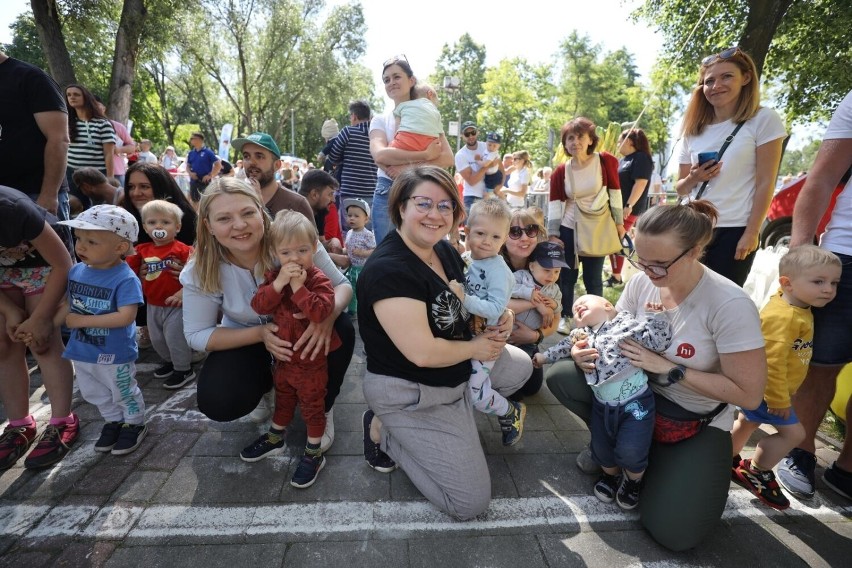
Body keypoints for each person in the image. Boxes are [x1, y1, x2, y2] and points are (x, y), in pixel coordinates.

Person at [545, 201, 766, 551]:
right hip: (635, 396)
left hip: (694, 418)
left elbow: (749, 396)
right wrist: (579, 348)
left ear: (695, 251)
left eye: (660, 264)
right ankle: (620, 453)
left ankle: (641, 461)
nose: (647, 272)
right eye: (639, 260)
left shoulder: (730, 304)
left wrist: (668, 368)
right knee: (562, 373)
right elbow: (614, 333)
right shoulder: (642, 283)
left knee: (675, 535)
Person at [356, 165, 531, 520]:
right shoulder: (389, 270)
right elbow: (421, 353)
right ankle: (385, 430)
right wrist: (476, 348)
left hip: (456, 370)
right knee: (469, 502)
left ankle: (458, 416)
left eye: (445, 206)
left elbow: (471, 299)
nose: (435, 214)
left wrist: (503, 317)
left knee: (522, 366)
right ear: (401, 207)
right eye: (423, 203)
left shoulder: (445, 251)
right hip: (412, 388)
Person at [180, 177, 352, 455]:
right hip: (248, 337)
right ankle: (265, 385)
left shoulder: (292, 240)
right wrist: (260, 334)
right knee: (219, 399)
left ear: (261, 212)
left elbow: (342, 285)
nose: (239, 225)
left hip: (302, 331)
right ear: (208, 226)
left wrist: (327, 318)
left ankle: (324, 404)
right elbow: (196, 334)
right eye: (224, 218)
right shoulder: (200, 269)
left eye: (248, 212)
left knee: (343, 327)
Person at [778, 88, 852, 502]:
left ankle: (847, 468)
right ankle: (798, 449)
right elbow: (820, 178)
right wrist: (800, 258)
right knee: (820, 363)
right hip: (847, 254)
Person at [535, 294, 671, 510]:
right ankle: (612, 476)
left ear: (608, 305)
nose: (577, 305)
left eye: (584, 302)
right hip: (602, 404)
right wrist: (543, 358)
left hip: (635, 402)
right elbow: (562, 346)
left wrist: (658, 316)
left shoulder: (626, 324)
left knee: (632, 450)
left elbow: (657, 341)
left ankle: (633, 480)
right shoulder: (581, 334)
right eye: (574, 306)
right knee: (602, 449)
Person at [731, 245, 841, 510]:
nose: (828, 289)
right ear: (787, 283)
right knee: (793, 434)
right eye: (819, 281)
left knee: (747, 422)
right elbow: (772, 362)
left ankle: (722, 458)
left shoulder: (793, 304)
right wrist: (779, 400)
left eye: (834, 282)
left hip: (763, 390)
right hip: (770, 393)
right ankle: (757, 469)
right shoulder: (784, 316)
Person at [242, 210, 340, 488]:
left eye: (302, 250)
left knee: (312, 407)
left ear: (314, 249)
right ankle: (275, 436)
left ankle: (314, 451)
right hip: (284, 360)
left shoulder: (317, 278)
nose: (295, 259)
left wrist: (298, 286)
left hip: (311, 363)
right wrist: (279, 284)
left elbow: (321, 312)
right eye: (286, 253)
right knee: (283, 399)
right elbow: (259, 305)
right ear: (275, 253)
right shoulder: (274, 277)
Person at [675, 47, 786, 286]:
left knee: (720, 302)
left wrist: (752, 232)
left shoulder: (763, 120)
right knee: (682, 296)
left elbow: (766, 181)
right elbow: (681, 188)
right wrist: (694, 177)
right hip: (693, 228)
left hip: (735, 229)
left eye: (727, 76)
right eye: (709, 81)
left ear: (746, 78)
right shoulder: (693, 130)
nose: (716, 86)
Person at [57, 205, 148, 456]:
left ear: (120, 247)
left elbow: (126, 317)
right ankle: (113, 421)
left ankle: (134, 423)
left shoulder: (125, 278)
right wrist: (46, 326)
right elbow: (69, 305)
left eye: (91, 241)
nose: (81, 247)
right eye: (79, 239)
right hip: (83, 350)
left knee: (122, 389)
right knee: (92, 391)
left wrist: (82, 322)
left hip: (114, 352)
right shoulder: (77, 271)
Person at [0, 186, 77, 470]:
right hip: (4, 272)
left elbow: (63, 263)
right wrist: (8, 310)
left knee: (42, 342)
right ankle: (19, 424)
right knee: (3, 344)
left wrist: (42, 317)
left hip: (46, 266)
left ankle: (62, 420)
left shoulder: (10, 208)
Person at [447, 199, 526, 445]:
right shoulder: (467, 258)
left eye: (495, 237)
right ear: (467, 231)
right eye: (480, 233)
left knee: (476, 393)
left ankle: (509, 410)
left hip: (487, 339)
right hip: (466, 336)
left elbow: (495, 308)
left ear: (503, 240)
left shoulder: (499, 271)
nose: (487, 242)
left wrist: (464, 298)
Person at [547, 117, 624, 335]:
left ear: (591, 139)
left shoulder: (605, 161)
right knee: (567, 276)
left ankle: (599, 319)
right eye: (570, 138)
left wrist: (619, 223)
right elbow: (555, 204)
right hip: (568, 227)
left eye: (580, 136)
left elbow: (615, 193)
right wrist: (553, 234)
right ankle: (565, 317)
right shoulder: (560, 171)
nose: (575, 142)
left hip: (596, 226)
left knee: (593, 276)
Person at [370, 56, 454, 243]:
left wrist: (404, 168)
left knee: (423, 252)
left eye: (396, 77)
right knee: (387, 252)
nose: (391, 82)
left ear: (411, 80)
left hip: (423, 191)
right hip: (388, 190)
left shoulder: (429, 115)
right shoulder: (380, 119)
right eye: (386, 80)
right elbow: (380, 155)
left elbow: (448, 158)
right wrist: (424, 156)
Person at [122, 161, 198, 350]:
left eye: (144, 186)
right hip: (149, 290)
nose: (136, 192)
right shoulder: (124, 216)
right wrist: (132, 271)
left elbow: (201, 256)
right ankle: (148, 327)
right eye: (131, 186)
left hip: (180, 291)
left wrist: (188, 269)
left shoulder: (185, 218)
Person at [126, 200, 196, 389]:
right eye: (152, 222)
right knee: (157, 338)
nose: (158, 226)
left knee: (175, 336)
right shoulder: (142, 250)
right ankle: (171, 361)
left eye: (165, 222)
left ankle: (184, 368)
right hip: (153, 303)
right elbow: (128, 269)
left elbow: (196, 268)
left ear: (177, 227)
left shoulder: (183, 249)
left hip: (177, 304)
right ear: (145, 228)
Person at [0, 50, 70, 219]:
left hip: (34, 194)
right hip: (2, 194)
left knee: (52, 246)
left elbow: (59, 139)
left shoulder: (30, 77)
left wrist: (48, 194)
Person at [501, 210, 557, 400]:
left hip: (528, 337)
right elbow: (497, 303)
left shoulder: (547, 264)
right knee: (512, 386)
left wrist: (536, 335)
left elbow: (556, 316)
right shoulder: (495, 263)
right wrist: (535, 303)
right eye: (515, 232)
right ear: (502, 235)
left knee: (532, 387)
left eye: (531, 230)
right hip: (495, 333)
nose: (524, 237)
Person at [607, 128, 654, 287]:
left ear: (630, 140)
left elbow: (640, 183)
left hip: (627, 209)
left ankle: (617, 277)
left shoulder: (641, 158)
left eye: (620, 140)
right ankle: (616, 275)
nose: (618, 144)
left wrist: (629, 205)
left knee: (616, 240)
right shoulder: (623, 159)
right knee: (613, 241)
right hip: (616, 208)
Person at [325, 101, 377, 229]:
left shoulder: (348, 132)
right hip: (372, 192)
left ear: (354, 116)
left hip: (350, 191)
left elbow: (333, 158)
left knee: (349, 231)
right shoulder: (377, 135)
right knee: (369, 232)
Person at [65, 84, 116, 212]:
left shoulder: (103, 124)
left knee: (100, 209)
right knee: (74, 206)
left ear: (86, 98)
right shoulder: (67, 123)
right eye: (69, 95)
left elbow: (109, 153)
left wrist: (110, 177)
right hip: (72, 173)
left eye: (76, 94)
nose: (72, 97)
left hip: (97, 174)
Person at [512, 241, 565, 333]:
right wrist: (529, 293)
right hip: (505, 329)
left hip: (530, 335)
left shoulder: (555, 290)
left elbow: (558, 309)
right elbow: (507, 287)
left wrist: (555, 305)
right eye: (546, 270)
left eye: (557, 272)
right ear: (532, 266)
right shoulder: (521, 277)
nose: (552, 276)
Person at [378, 83, 442, 153]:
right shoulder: (435, 110)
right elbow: (439, 131)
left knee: (389, 154)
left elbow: (397, 127)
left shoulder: (403, 105)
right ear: (430, 94)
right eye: (435, 103)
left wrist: (396, 139)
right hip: (428, 143)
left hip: (406, 140)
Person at [341, 197, 375, 314]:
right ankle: (352, 310)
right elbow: (348, 248)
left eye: (356, 216)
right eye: (349, 215)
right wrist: (342, 251)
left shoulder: (367, 235)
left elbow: (374, 250)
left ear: (366, 219)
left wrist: (363, 253)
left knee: (362, 289)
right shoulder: (350, 233)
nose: (352, 218)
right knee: (352, 288)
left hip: (362, 268)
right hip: (351, 267)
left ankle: (366, 309)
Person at [454, 122, 492, 215]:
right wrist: (487, 165)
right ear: (462, 136)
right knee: (472, 228)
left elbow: (499, 169)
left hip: (491, 196)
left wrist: (496, 190)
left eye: (473, 132)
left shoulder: (487, 147)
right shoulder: (460, 155)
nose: (471, 136)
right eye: (467, 134)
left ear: (477, 132)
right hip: (472, 197)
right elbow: (471, 181)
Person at [186, 132, 222, 207]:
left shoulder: (208, 152)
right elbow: (188, 166)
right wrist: (190, 173)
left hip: (205, 182)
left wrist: (210, 175)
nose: (191, 140)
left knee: (206, 202)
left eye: (193, 138)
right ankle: (196, 218)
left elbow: (218, 165)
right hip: (194, 181)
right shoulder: (191, 153)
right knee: (194, 201)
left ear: (199, 140)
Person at [479, 132, 505, 199]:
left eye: (494, 146)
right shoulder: (486, 151)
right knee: (491, 192)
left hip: (493, 176)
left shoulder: (493, 153)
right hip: (488, 175)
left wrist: (477, 161)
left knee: (489, 193)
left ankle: (502, 200)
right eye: (489, 145)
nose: (491, 147)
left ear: (499, 146)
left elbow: (485, 164)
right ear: (486, 143)